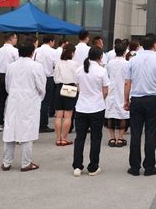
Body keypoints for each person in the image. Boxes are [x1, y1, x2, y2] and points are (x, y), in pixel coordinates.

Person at [124, 33, 156, 177]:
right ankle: (149, 167)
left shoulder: (132, 60)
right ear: (155, 44)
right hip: (153, 100)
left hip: (136, 100)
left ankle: (134, 167)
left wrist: (126, 100)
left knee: (135, 134)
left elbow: (127, 83)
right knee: (151, 134)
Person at [1, 41, 46, 172]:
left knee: (10, 130)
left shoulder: (11, 66)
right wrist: (38, 97)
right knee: (27, 131)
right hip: (29, 100)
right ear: (32, 52)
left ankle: (6, 162)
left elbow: (7, 85)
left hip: (13, 100)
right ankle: (26, 163)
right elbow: (41, 86)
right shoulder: (36, 66)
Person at [73, 47, 109, 176]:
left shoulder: (79, 70)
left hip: (81, 107)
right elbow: (105, 91)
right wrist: (99, 99)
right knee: (95, 138)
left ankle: (77, 166)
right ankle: (93, 167)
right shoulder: (102, 71)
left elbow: (78, 88)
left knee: (79, 138)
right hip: (97, 107)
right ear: (100, 57)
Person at [105, 43, 130, 147]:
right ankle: (120, 138)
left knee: (110, 114)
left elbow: (107, 75)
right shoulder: (127, 63)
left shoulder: (110, 63)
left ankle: (112, 138)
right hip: (123, 90)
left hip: (111, 90)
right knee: (123, 114)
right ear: (124, 52)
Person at [54, 43, 79, 146]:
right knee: (68, 116)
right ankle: (64, 138)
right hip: (71, 88)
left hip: (60, 87)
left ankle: (58, 139)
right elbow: (77, 78)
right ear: (72, 53)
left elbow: (55, 78)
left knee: (59, 116)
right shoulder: (75, 64)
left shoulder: (58, 63)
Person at [0, 33, 19, 132]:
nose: (16, 40)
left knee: (0, 101)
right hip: (11, 76)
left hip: (0, 75)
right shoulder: (14, 51)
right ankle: (10, 121)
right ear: (11, 39)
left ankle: (0, 123)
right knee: (12, 100)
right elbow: (18, 64)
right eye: (15, 38)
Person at [35, 35, 58, 133]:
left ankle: (36, 122)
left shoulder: (36, 50)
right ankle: (43, 124)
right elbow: (56, 65)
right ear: (51, 41)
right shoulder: (53, 51)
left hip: (37, 77)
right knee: (46, 102)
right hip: (48, 78)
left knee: (37, 100)